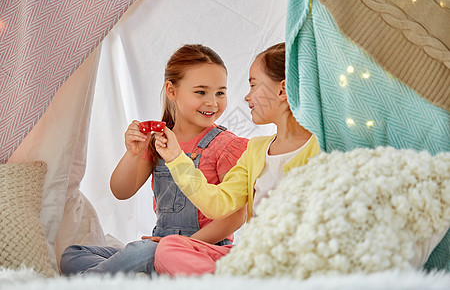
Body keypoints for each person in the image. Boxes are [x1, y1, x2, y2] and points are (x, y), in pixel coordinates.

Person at [59, 44, 248, 276]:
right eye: (201, 92)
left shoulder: (226, 145)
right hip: (158, 245)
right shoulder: (160, 141)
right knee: (72, 254)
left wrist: (181, 246)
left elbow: (237, 214)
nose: (212, 102)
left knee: (140, 253)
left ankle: (100, 278)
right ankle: (137, 273)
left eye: (220, 92)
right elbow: (121, 191)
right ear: (172, 90)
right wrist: (133, 153)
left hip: (201, 250)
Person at [152, 42, 321, 276]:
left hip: (298, 263)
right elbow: (218, 204)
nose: (246, 96)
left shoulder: (322, 148)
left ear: (282, 91)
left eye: (253, 85)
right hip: (255, 260)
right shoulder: (255, 150)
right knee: (169, 248)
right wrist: (176, 159)